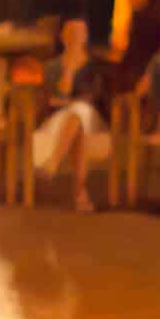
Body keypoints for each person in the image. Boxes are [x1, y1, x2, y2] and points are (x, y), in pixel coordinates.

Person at [30, 16, 117, 210]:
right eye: (71, 32)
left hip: (92, 120)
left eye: (80, 32)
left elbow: (92, 98)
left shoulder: (95, 66)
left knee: (80, 112)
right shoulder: (52, 67)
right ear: (63, 36)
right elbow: (53, 98)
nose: (76, 37)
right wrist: (68, 70)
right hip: (60, 122)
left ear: (85, 36)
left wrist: (66, 100)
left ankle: (52, 164)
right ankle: (80, 193)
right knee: (77, 119)